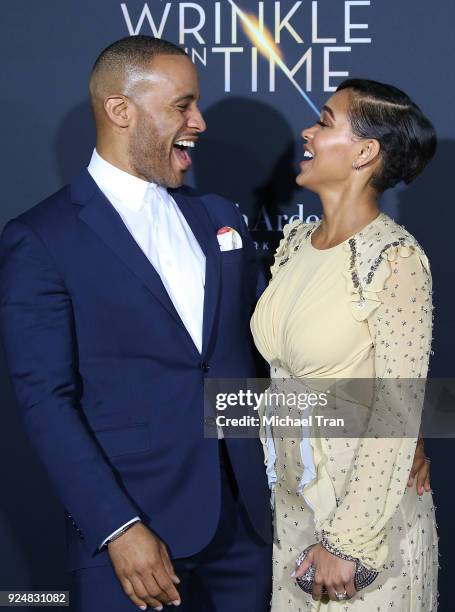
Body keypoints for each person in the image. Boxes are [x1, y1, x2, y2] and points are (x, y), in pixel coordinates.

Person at [0, 36, 273, 611]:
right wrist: (117, 528)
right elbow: (46, 400)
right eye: (183, 105)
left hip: (247, 526)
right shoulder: (42, 238)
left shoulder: (219, 216)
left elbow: (255, 363)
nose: (198, 122)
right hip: (133, 539)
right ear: (121, 110)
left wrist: (397, 424)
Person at [250, 79, 438, 610]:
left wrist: (347, 543)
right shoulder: (293, 247)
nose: (307, 132)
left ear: (365, 152)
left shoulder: (395, 258)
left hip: (361, 520)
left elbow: (398, 408)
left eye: (326, 121)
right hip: (292, 507)